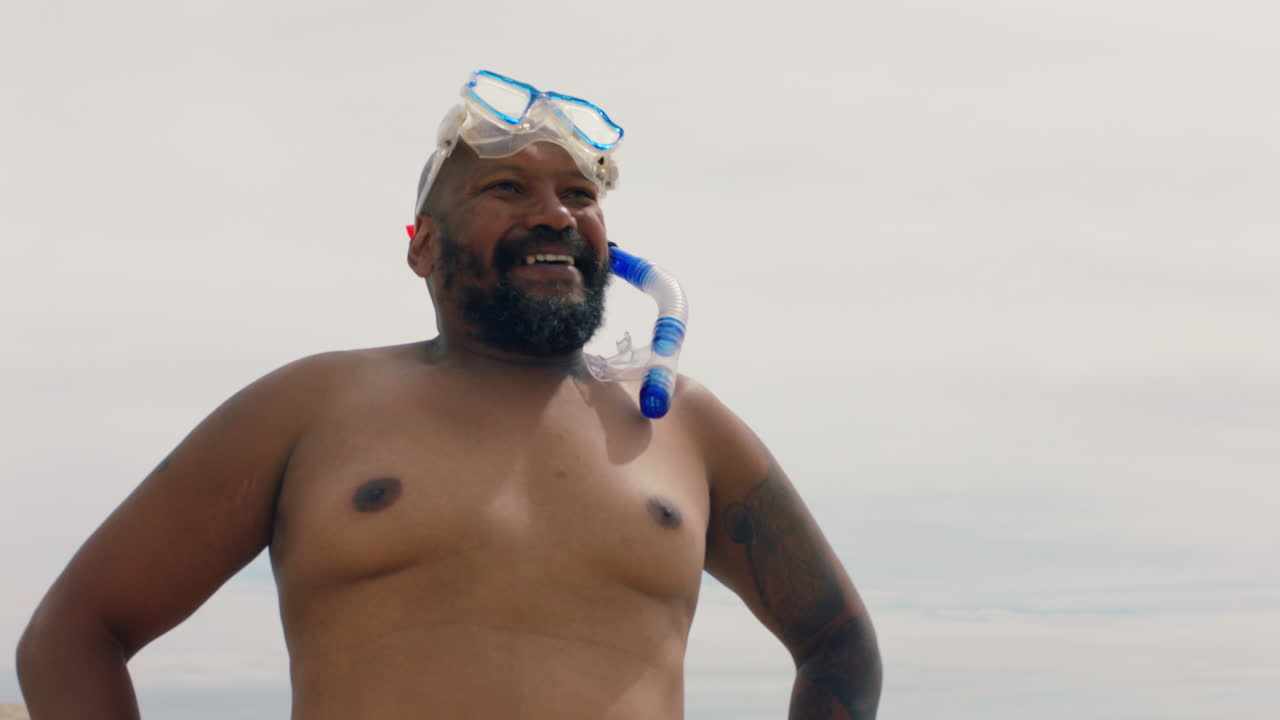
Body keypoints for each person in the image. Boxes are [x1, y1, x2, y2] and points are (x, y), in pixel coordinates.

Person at [16, 70, 881, 719]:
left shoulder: (685, 426)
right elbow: (74, 634)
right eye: (508, 188)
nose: (553, 213)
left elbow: (839, 645)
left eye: (577, 194)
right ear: (422, 246)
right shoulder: (309, 408)